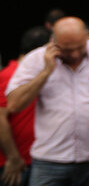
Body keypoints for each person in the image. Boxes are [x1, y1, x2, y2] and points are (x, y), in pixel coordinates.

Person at [6, 17, 89, 185]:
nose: (74, 54)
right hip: (50, 161)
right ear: (53, 42)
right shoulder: (35, 59)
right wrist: (46, 72)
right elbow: (14, 104)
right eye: (67, 50)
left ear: (88, 37)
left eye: (80, 48)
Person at [0, 27, 50, 186]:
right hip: (16, 164)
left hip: (36, 159)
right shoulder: (9, 75)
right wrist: (13, 158)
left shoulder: (34, 75)